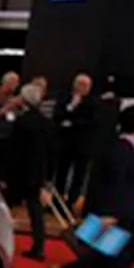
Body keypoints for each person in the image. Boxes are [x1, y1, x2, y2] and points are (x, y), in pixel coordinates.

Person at [49, 105, 134, 268]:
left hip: (131, 209)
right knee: (116, 251)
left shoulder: (130, 149)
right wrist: (110, 213)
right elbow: (113, 184)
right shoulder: (120, 150)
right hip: (121, 209)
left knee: (112, 251)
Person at [9, 83, 56, 261]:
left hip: (21, 171)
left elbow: (15, 150)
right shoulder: (47, 123)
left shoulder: (22, 122)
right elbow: (52, 152)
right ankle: (39, 246)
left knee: (5, 205)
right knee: (36, 210)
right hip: (38, 172)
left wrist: (6, 174)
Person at [53, 73, 97, 204]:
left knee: (79, 175)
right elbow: (57, 115)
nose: (84, 88)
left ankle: (72, 201)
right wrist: (71, 106)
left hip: (82, 144)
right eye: (81, 84)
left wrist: (72, 123)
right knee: (61, 173)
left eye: (87, 86)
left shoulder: (92, 103)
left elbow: (92, 121)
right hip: (65, 142)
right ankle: (57, 200)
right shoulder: (64, 98)